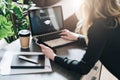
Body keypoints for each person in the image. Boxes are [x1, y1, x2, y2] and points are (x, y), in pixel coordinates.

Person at [39, 0, 120, 79]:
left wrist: (54, 57)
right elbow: (104, 41)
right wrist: (77, 37)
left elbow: (83, 68)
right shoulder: (115, 17)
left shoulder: (99, 27)